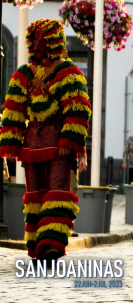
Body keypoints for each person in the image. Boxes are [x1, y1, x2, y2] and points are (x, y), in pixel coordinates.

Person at [0, 19, 91, 260]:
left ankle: (52, 244)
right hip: (31, 146)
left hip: (58, 144)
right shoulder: (24, 74)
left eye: (43, 40)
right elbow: (14, 109)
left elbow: (77, 110)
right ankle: (37, 244)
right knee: (35, 195)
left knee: (57, 192)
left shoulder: (69, 73)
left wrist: (71, 143)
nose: (38, 46)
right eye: (36, 40)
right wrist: (12, 141)